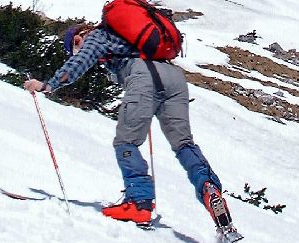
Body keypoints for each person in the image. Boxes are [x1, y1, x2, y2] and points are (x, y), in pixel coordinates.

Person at [23, 17, 235, 230]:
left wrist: (47, 85)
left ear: (78, 38)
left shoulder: (96, 36)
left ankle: (139, 203)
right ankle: (209, 189)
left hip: (143, 76)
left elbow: (78, 65)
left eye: (74, 48)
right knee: (184, 143)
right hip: (173, 78)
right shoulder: (125, 36)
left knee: (126, 141)